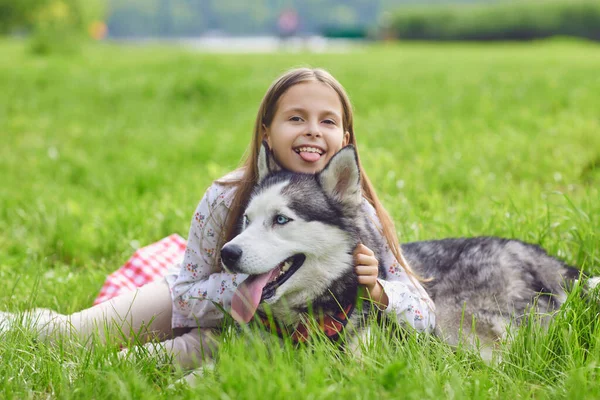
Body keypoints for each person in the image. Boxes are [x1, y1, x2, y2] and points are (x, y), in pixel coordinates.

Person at [0, 68, 435, 370]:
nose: (311, 130)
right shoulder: (228, 195)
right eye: (295, 118)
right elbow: (188, 291)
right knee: (68, 336)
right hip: (196, 300)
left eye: (327, 121)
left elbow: (423, 310)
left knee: (166, 361)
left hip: (249, 338)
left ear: (344, 139)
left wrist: (379, 290)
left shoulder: (353, 211)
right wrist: (249, 285)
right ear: (266, 130)